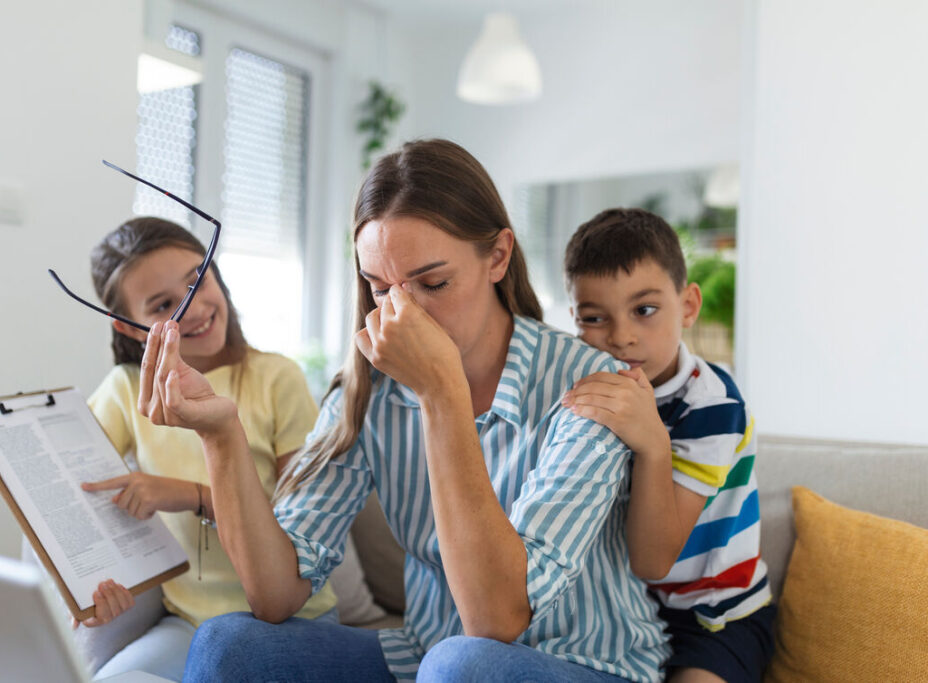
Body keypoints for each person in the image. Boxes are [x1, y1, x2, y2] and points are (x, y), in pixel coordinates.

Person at [137, 139, 670, 682]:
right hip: (428, 660)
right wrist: (221, 435)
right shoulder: (368, 391)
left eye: (433, 283)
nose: (402, 315)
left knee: (464, 664)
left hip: (587, 666)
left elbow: (495, 620)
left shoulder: (592, 387)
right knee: (229, 644)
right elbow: (275, 596)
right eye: (380, 288)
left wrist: (442, 396)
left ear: (498, 257)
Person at [77, 217, 337, 681]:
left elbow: (299, 531)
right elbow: (70, 489)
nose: (192, 307)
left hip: (293, 622)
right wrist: (83, 590)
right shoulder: (125, 390)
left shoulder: (278, 379)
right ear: (132, 329)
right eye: (162, 305)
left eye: (196, 279)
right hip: (188, 624)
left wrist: (190, 494)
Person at [560, 208, 775, 683]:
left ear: (689, 306)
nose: (621, 337)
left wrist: (653, 444)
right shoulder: (590, 389)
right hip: (628, 613)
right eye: (595, 318)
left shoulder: (714, 407)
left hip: (718, 617)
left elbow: (653, 561)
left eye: (645, 310)